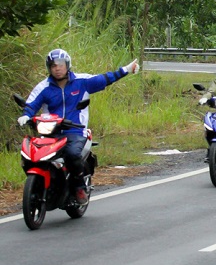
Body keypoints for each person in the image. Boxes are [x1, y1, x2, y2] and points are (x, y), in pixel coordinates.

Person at [17, 49, 140, 205]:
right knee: (30, 154)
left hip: (75, 130)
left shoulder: (82, 81)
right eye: (53, 65)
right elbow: (31, 104)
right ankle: (41, 185)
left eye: (60, 64)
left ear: (67, 65)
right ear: (49, 67)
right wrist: (26, 116)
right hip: (50, 132)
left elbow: (104, 79)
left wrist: (126, 70)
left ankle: (79, 187)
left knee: (72, 154)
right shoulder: (43, 87)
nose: (57, 68)